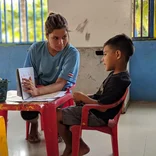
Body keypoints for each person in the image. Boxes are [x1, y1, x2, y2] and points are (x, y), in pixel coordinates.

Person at [57, 34, 134, 156]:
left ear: (118, 55)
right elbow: (104, 97)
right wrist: (86, 98)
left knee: (55, 115)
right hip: (96, 113)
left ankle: (78, 147)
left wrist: (84, 98)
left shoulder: (118, 80)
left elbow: (103, 107)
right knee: (63, 114)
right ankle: (72, 147)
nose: (102, 59)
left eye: (105, 54)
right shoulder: (118, 75)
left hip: (97, 116)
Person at [21, 12, 80, 143]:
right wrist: (31, 89)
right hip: (39, 88)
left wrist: (38, 91)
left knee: (55, 106)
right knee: (25, 104)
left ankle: (59, 127)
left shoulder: (72, 53)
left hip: (60, 91)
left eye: (64, 37)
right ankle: (34, 123)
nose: (61, 42)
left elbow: (60, 83)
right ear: (47, 36)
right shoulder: (35, 49)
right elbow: (28, 76)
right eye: (55, 38)